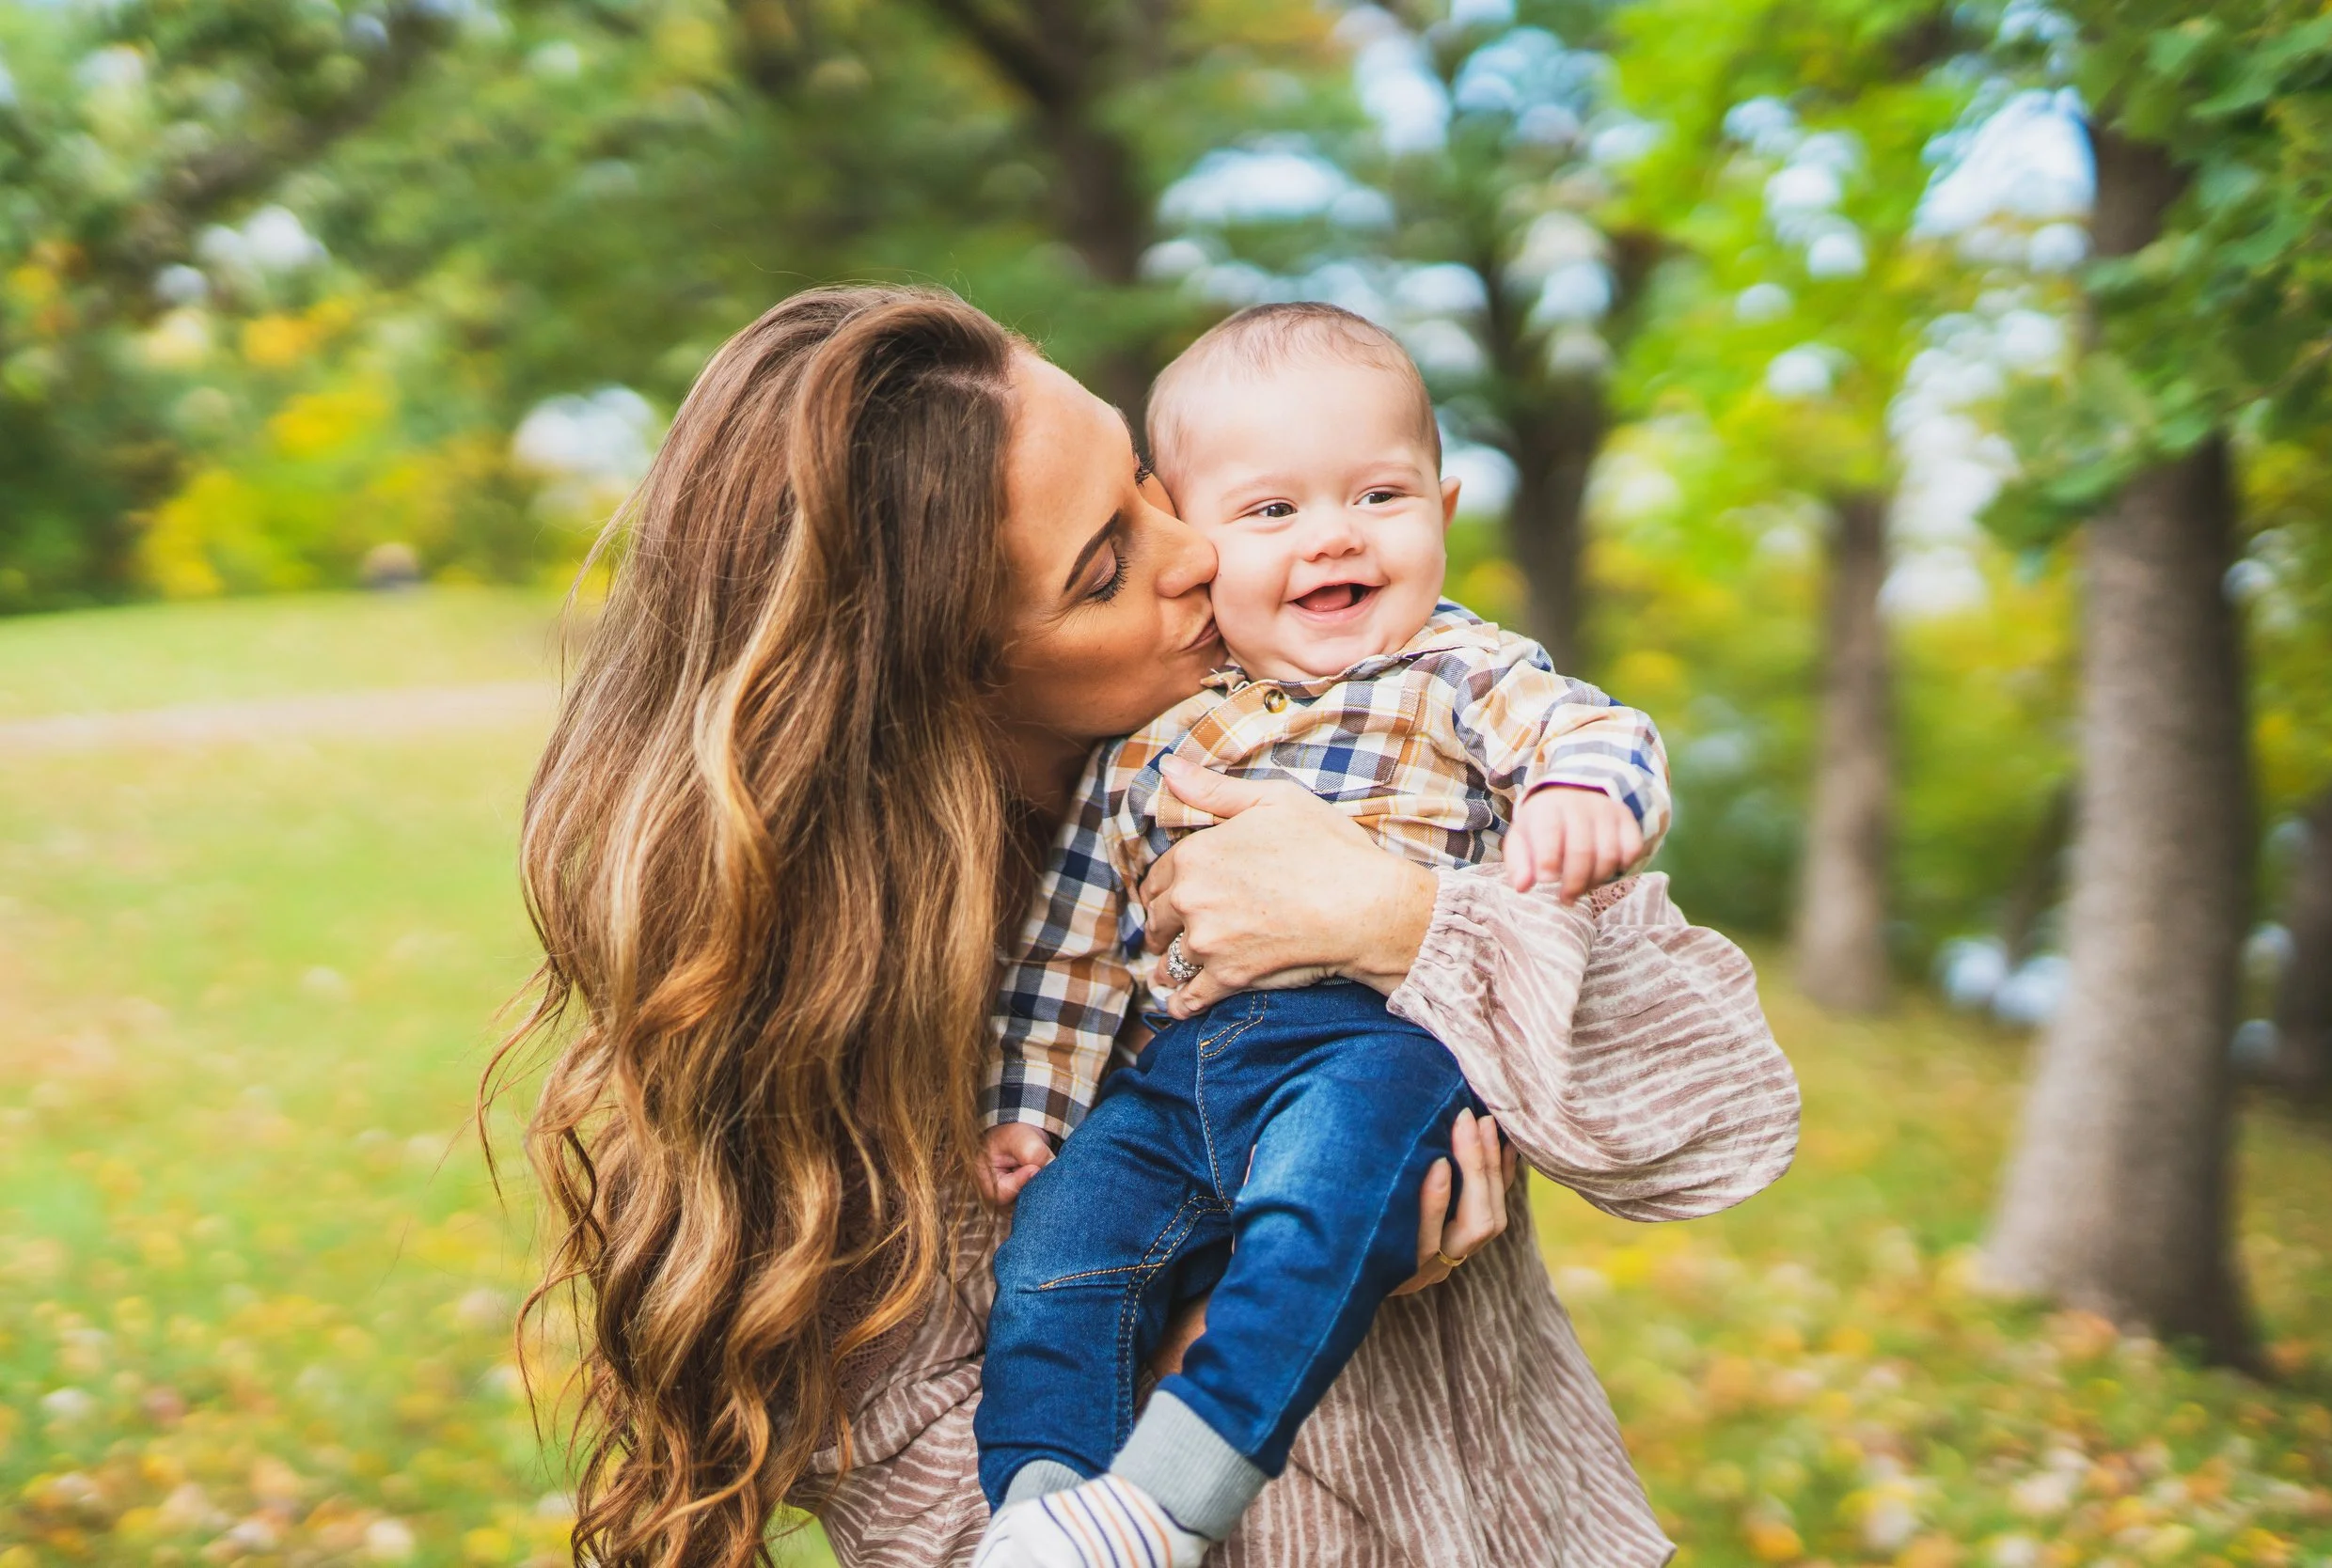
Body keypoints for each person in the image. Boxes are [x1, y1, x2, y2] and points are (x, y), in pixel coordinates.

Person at [499, 285, 1801, 1568]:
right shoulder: (860, 1045)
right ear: (949, 677)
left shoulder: (1381, 714)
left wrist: (1401, 920)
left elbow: (1722, 1124)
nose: (1198, 553)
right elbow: (937, 1531)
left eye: (1148, 486)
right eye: (1109, 564)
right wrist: (1234, 1333)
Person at [970, 303, 1678, 1568]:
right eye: (1272, 512)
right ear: (1202, 541)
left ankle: (1172, 1499)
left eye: (1379, 496)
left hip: (1374, 1042)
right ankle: (1043, 1509)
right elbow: (1072, 945)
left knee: (1317, 1205)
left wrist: (1579, 797)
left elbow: (1600, 732)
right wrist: (1034, 1103)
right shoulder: (1159, 733)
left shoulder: (1460, 671)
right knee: (1059, 1250)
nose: (1335, 536)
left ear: (1445, 514)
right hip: (1178, 1071)